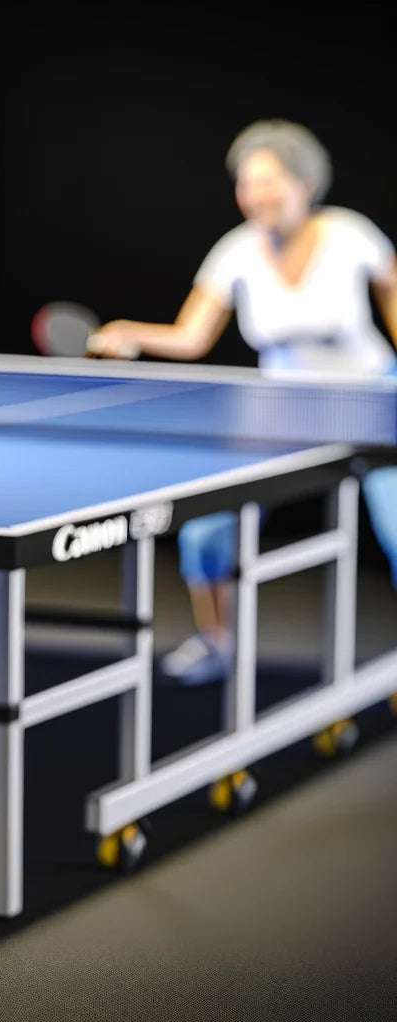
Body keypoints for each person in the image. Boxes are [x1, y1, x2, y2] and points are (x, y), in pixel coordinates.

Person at [88, 118, 397, 685]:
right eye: (247, 185)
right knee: (206, 525)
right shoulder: (235, 252)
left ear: (305, 184)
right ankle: (217, 640)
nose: (257, 196)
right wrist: (128, 332)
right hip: (282, 407)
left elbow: (395, 303)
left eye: (270, 182)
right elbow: (191, 337)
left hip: (371, 396)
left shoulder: (352, 235)